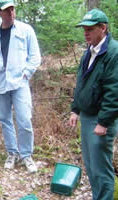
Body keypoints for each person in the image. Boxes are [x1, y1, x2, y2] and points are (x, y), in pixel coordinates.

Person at [0, 0, 41, 172]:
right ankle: (12, 153)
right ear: (0, 13)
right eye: (7, 10)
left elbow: (35, 56)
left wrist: (26, 73)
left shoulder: (26, 30)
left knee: (24, 119)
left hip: (20, 82)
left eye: (12, 9)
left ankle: (26, 155)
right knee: (5, 120)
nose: (11, 13)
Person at [69, 9, 118, 200]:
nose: (85, 32)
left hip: (101, 119)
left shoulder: (113, 53)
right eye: (84, 29)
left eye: (90, 28)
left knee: (101, 168)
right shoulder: (89, 52)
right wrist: (75, 109)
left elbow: (114, 91)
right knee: (90, 164)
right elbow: (81, 82)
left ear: (103, 28)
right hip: (87, 116)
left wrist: (104, 122)